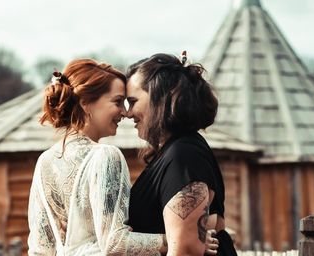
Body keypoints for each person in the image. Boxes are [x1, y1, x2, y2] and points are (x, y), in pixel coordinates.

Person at [27, 58, 219, 255]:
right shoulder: (105, 155)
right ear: (85, 103)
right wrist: (177, 239)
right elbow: (114, 242)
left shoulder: (45, 161)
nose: (124, 112)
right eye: (117, 102)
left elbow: (39, 248)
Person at [126, 52, 237, 256]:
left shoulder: (183, 155)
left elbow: (185, 250)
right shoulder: (175, 151)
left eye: (133, 102)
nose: (127, 113)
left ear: (161, 97)